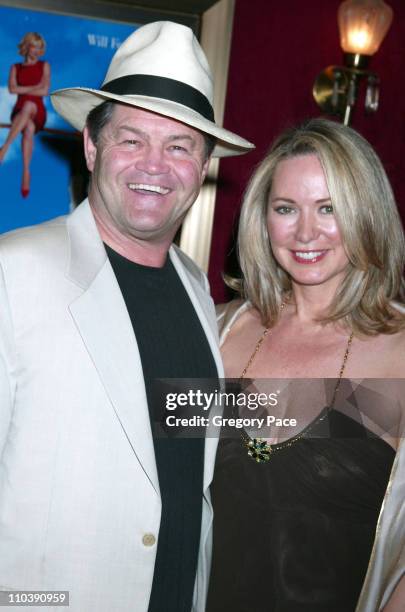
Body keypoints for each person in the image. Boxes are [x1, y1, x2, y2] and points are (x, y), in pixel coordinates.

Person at [0, 22, 253, 612]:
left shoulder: (198, 289)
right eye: (132, 140)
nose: (154, 166)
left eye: (180, 146)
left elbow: (187, 462)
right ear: (92, 146)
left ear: (204, 164)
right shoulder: (13, 273)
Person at [206, 118, 405, 612]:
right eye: (286, 208)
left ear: (367, 214)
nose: (305, 232)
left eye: (329, 208)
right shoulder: (218, 330)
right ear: (263, 217)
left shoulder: (399, 350)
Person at [0, 32, 50, 197]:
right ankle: (26, 173)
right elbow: (12, 89)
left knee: (29, 105)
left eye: (39, 47)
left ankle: (4, 148)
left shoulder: (44, 66)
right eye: (34, 45)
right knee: (28, 128)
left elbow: (44, 90)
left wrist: (26, 89)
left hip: (37, 110)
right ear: (27, 46)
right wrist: (34, 87)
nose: (36, 50)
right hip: (19, 111)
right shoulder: (16, 67)